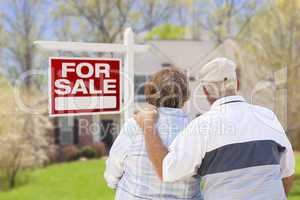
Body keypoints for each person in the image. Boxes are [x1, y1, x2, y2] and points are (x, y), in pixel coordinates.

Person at [135, 58, 295, 200]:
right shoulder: (268, 117)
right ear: (237, 84)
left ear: (205, 91)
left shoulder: (201, 127)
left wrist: (149, 127)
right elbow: (287, 174)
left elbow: (167, 171)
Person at [104, 68, 202, 200]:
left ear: (150, 92)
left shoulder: (134, 125)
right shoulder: (196, 131)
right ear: (185, 96)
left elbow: (113, 169)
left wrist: (113, 183)